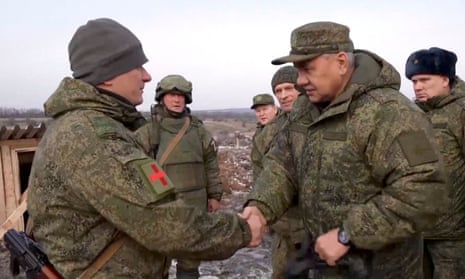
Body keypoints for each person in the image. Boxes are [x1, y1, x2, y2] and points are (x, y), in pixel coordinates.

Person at [27, 18, 265, 279]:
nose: (146, 76)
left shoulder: (86, 125)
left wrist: (213, 194)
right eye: (136, 66)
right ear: (107, 75)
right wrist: (243, 230)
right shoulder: (93, 137)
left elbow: (207, 162)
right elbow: (165, 226)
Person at [242, 21, 448, 278]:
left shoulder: (389, 113)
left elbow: (424, 191)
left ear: (341, 62)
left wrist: (348, 234)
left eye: (307, 69)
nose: (300, 81)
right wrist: (260, 206)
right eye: (297, 70)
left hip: (381, 269)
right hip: (325, 265)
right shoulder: (304, 110)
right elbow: (284, 165)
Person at [134, 74, 223, 279]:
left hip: (195, 205)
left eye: (181, 96)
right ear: (162, 98)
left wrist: (215, 195)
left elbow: (210, 163)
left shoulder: (198, 130)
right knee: (157, 260)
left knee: (190, 261)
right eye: (172, 95)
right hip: (162, 205)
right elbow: (138, 167)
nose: (177, 100)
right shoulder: (149, 131)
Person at [405, 47, 465, 279]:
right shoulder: (413, 115)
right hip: (417, 231)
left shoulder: (460, 111)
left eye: (424, 79)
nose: (418, 86)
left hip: (453, 234)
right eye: (414, 81)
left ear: (444, 79)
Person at [250, 67, 309, 279]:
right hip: (287, 225)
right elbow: (261, 173)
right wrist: (261, 209)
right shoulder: (271, 132)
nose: (283, 95)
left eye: (288, 88)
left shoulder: (322, 119)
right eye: (278, 91)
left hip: (324, 227)